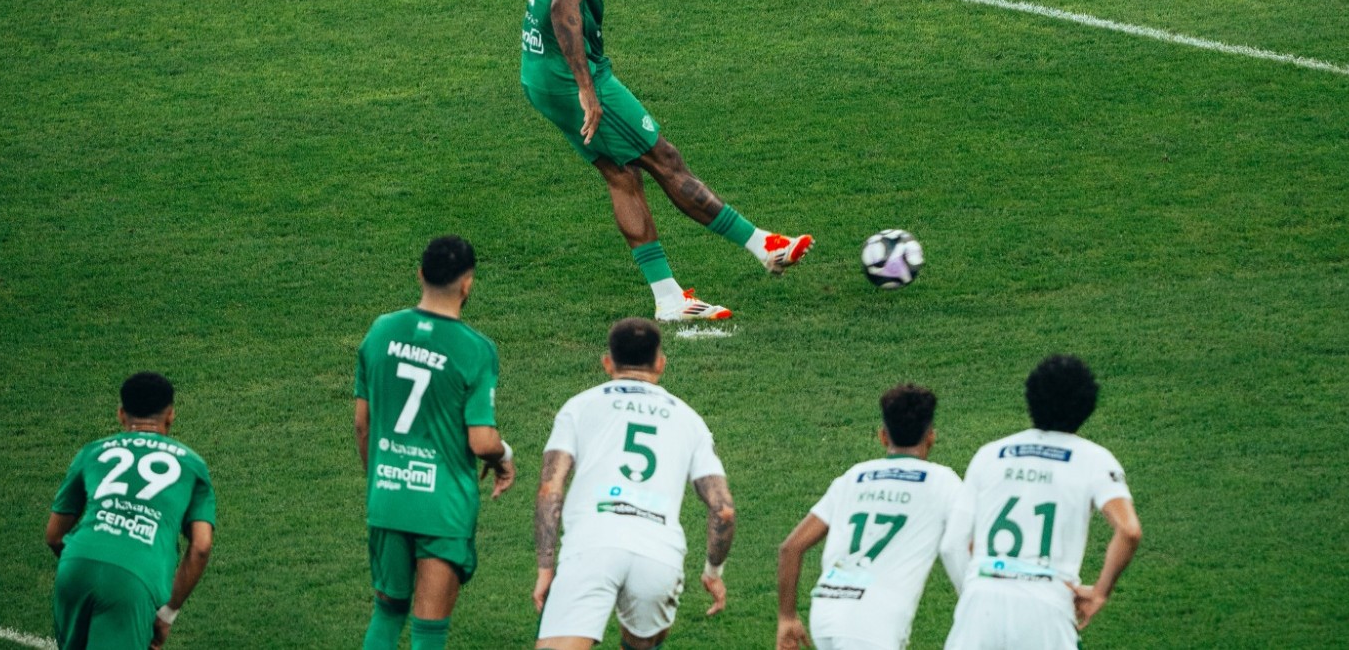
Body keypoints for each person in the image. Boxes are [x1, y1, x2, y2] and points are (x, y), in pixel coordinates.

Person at [521, 0, 812, 321]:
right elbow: (562, 6)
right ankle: (765, 247)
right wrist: (587, 90)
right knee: (663, 158)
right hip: (569, 75)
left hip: (541, 70)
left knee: (622, 173)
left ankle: (669, 298)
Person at [533, 317, 737, 650]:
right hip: (658, 554)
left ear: (607, 362)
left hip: (591, 545)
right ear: (660, 363)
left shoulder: (579, 407)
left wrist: (545, 567)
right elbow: (723, 509)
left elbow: (550, 489)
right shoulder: (690, 420)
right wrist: (713, 571)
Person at [354, 235, 517, 650]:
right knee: (429, 628)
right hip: (442, 505)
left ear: (420, 274)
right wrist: (505, 457)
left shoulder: (381, 331)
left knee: (388, 612)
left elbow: (362, 424)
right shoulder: (475, 350)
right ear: (467, 283)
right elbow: (482, 441)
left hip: (388, 494)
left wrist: (381, 479)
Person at [939, 355, 1143, 650]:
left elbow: (953, 544)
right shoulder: (1094, 459)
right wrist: (1100, 593)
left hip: (979, 606)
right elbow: (1129, 530)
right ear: (1087, 405)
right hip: (1045, 609)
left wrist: (978, 591)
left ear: (1031, 398)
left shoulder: (990, 454)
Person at [776, 384, 963, 650]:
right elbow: (962, 544)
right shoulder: (942, 482)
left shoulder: (854, 477)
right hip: (874, 623)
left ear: (883, 436)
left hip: (826, 614)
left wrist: (787, 617)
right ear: (931, 436)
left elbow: (790, 548)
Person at [46, 371, 215, 650]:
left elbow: (54, 536)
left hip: (75, 566)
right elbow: (201, 547)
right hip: (134, 578)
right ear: (171, 415)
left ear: (121, 414)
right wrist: (168, 613)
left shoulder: (93, 452)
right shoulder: (192, 464)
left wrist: (87, 563)